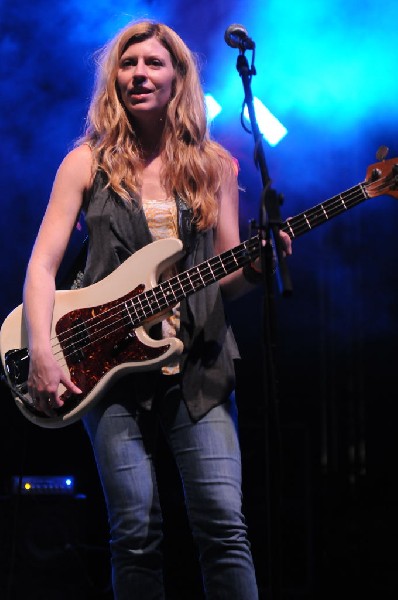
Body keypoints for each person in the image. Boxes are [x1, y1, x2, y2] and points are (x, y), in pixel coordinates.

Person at [23, 20, 292, 599]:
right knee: (136, 533)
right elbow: (42, 266)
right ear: (113, 78)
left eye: (153, 63)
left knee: (223, 526)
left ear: (178, 77)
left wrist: (260, 266)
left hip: (198, 364)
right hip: (107, 371)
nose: (139, 74)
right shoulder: (86, 163)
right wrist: (43, 353)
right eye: (128, 63)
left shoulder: (216, 164)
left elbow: (225, 279)